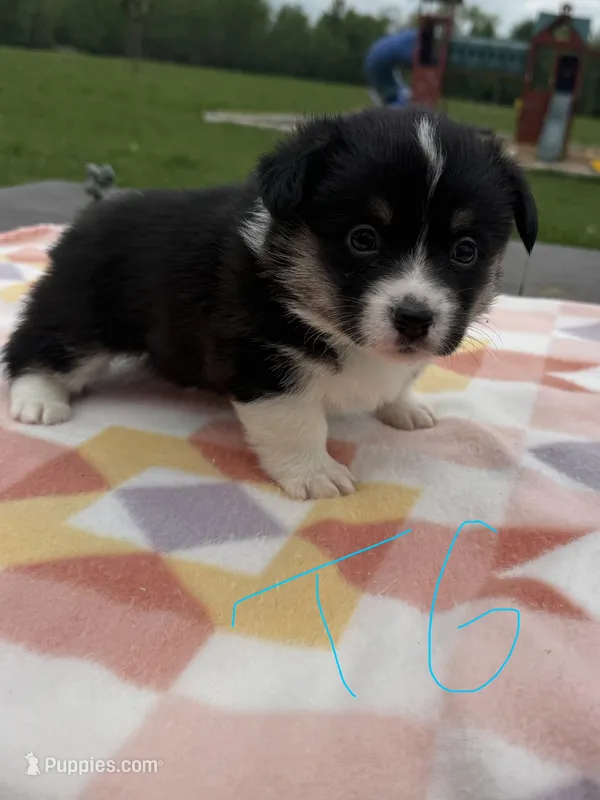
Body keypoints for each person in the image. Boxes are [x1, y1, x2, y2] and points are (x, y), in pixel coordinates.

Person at [364, 28, 418, 107]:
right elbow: (414, 63)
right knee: (400, 97)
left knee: (399, 93)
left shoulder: (409, 37)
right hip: (379, 64)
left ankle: (393, 106)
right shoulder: (410, 41)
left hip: (374, 58)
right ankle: (396, 109)